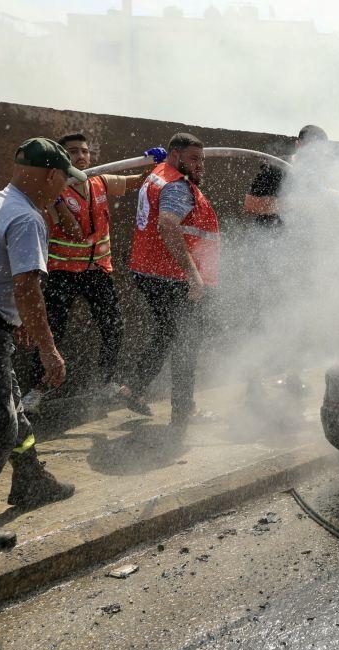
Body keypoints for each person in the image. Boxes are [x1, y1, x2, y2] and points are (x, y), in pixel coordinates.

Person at [0, 139, 81, 551]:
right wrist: (48, 349)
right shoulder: (26, 218)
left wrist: (15, 321)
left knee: (13, 408)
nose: (63, 191)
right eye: (64, 182)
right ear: (53, 175)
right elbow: (27, 287)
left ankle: (30, 480)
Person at [21, 133, 166, 413]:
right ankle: (37, 390)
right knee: (52, 332)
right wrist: (59, 198)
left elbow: (140, 181)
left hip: (97, 270)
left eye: (84, 151)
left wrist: (152, 162)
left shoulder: (101, 181)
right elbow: (72, 229)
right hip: (62, 271)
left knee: (113, 326)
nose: (80, 156)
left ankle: (106, 381)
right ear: (61, 158)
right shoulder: (51, 191)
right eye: (73, 152)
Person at [124, 133, 219, 432]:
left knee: (167, 332)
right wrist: (194, 275)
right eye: (194, 159)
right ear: (175, 155)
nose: (201, 165)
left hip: (149, 270)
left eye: (202, 159)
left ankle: (135, 386)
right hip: (172, 277)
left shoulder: (158, 174)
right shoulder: (177, 185)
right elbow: (167, 225)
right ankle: (183, 409)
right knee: (187, 342)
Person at [240, 125, 328, 403]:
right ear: (299, 145)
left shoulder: (314, 177)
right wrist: (296, 204)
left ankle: (293, 376)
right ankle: (253, 384)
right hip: (268, 257)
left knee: (298, 317)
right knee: (262, 320)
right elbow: (251, 205)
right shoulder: (276, 170)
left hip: (299, 258)